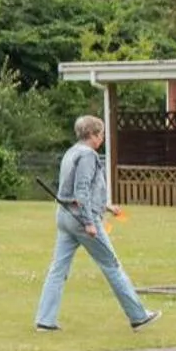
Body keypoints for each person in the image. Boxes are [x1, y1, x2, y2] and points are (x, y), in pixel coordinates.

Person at [35, 114, 159, 333]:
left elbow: (80, 189)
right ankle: (138, 316)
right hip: (81, 220)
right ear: (92, 134)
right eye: (101, 134)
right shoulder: (88, 156)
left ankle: (45, 320)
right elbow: (81, 189)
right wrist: (89, 222)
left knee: (58, 269)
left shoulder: (71, 152)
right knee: (111, 265)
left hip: (64, 217)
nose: (102, 138)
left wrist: (107, 206)